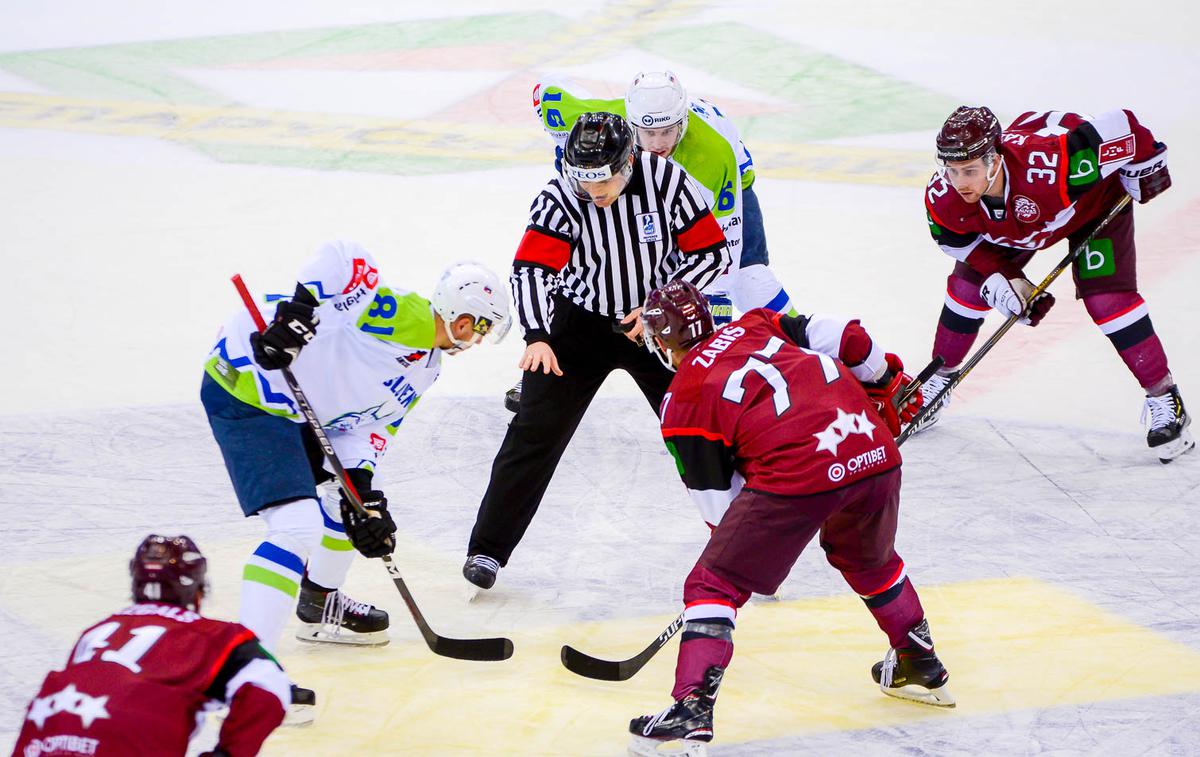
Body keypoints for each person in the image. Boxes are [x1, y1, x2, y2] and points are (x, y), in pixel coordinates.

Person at [627, 280, 951, 756]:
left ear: (661, 342)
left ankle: (690, 707)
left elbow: (721, 507)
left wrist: (747, 564)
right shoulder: (756, 322)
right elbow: (844, 334)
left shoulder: (681, 401)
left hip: (799, 472)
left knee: (713, 583)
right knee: (868, 560)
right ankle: (918, 658)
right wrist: (887, 383)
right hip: (872, 448)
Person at [202, 241, 510, 667]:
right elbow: (343, 257)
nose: (477, 340)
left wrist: (362, 488)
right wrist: (298, 313)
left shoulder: (428, 366)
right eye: (479, 328)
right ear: (461, 318)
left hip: (298, 410)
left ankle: (319, 603)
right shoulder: (407, 317)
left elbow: (370, 426)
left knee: (350, 500)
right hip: (250, 386)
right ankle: (248, 671)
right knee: (296, 525)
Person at [462, 113, 730, 590]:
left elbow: (711, 253)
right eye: (585, 182)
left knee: (703, 428)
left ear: (629, 162)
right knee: (533, 433)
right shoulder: (560, 194)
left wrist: (659, 306)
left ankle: (741, 541)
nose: (595, 192)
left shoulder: (667, 179)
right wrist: (537, 336)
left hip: (655, 324)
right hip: (579, 322)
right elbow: (530, 269)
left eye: (604, 180)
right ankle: (487, 550)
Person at [503, 71, 796, 412]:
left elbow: (719, 258)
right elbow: (548, 93)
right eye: (648, 132)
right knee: (577, 265)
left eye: (667, 131)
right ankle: (548, 366)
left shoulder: (713, 158)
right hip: (649, 187)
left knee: (750, 281)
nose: (658, 143)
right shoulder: (602, 126)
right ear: (629, 123)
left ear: (683, 122)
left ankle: (806, 351)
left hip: (720, 197)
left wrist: (697, 331)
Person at [915, 105, 1192, 463]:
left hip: (1090, 205)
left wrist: (1147, 162)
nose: (960, 182)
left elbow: (1123, 126)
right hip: (1015, 223)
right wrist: (1005, 275)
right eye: (951, 170)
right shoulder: (945, 195)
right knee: (967, 290)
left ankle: (1164, 397)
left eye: (969, 170)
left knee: (1108, 302)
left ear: (994, 159)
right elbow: (952, 239)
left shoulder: (1053, 167)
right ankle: (937, 384)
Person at [13, 535, 290, 756]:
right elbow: (270, 688)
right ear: (197, 589)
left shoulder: (96, 631)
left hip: (45, 732)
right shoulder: (212, 635)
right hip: (131, 738)